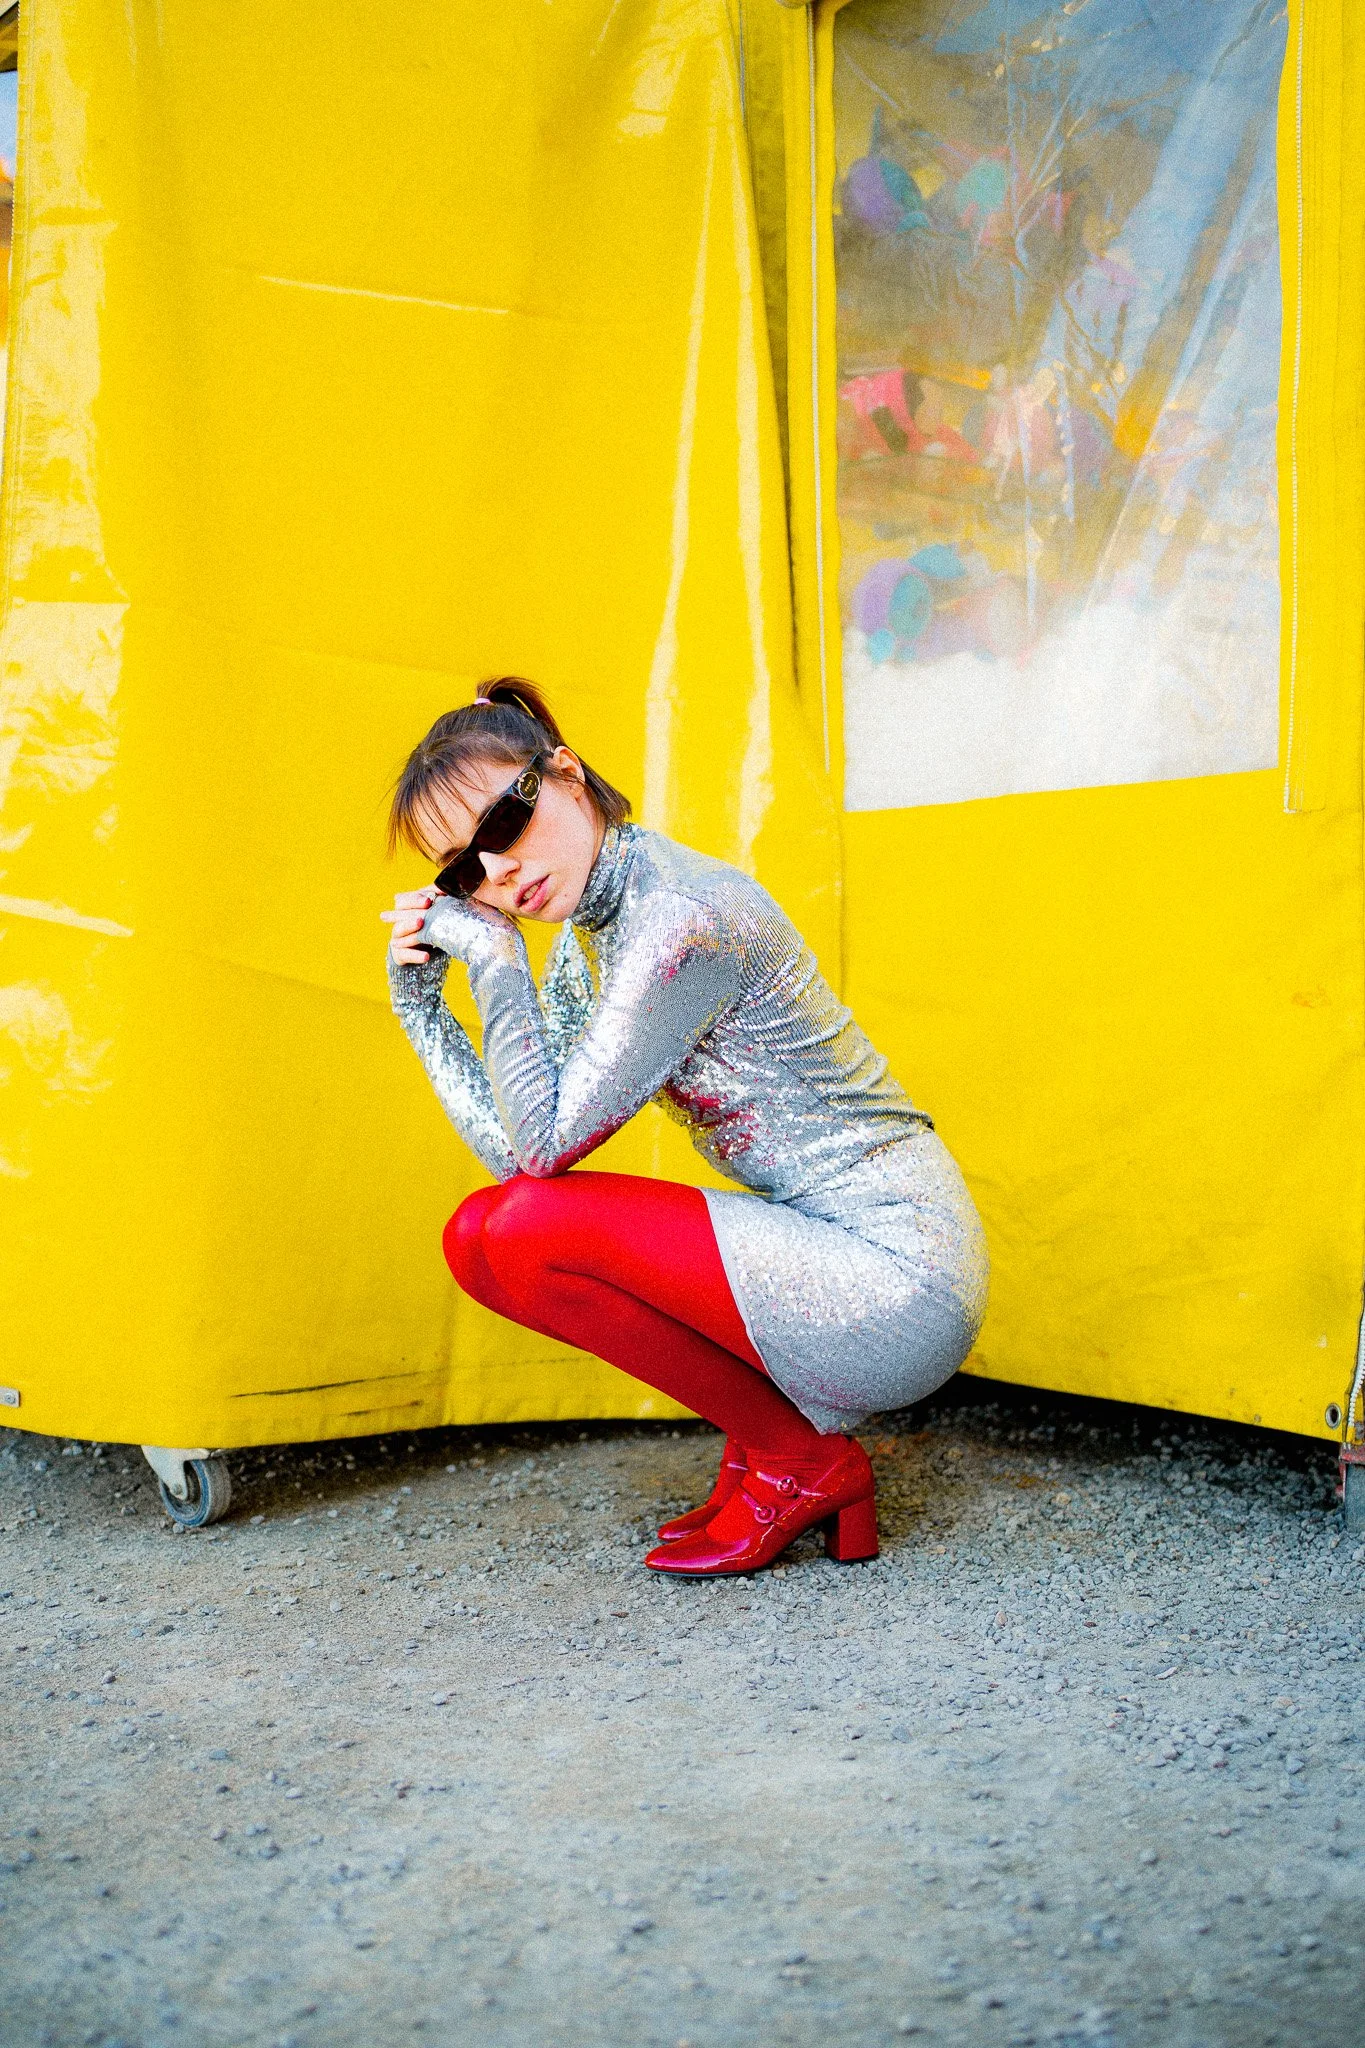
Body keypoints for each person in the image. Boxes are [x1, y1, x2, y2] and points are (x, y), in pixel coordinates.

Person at [382, 679, 988, 1576]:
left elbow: (543, 1153)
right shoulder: (602, 918)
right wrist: (421, 1004)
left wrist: (496, 957)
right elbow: (515, 1150)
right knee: (479, 1233)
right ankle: (777, 1449)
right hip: (827, 1250)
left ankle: (799, 1460)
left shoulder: (677, 921)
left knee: (517, 1230)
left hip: (898, 1274)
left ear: (565, 773)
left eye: (503, 826)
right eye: (464, 873)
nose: (497, 873)